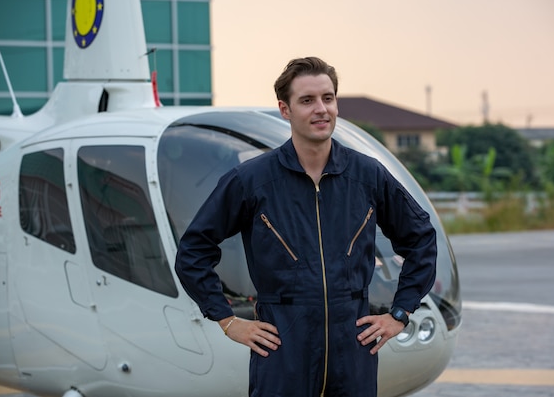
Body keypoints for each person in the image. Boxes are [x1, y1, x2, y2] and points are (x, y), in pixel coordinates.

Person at [175, 56, 437, 397]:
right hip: (283, 348)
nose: (321, 110)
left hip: (353, 349)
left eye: (328, 98)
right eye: (307, 100)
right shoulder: (251, 180)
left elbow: (421, 239)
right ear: (285, 110)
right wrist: (226, 320)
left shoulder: (368, 175)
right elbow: (193, 251)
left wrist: (399, 312)